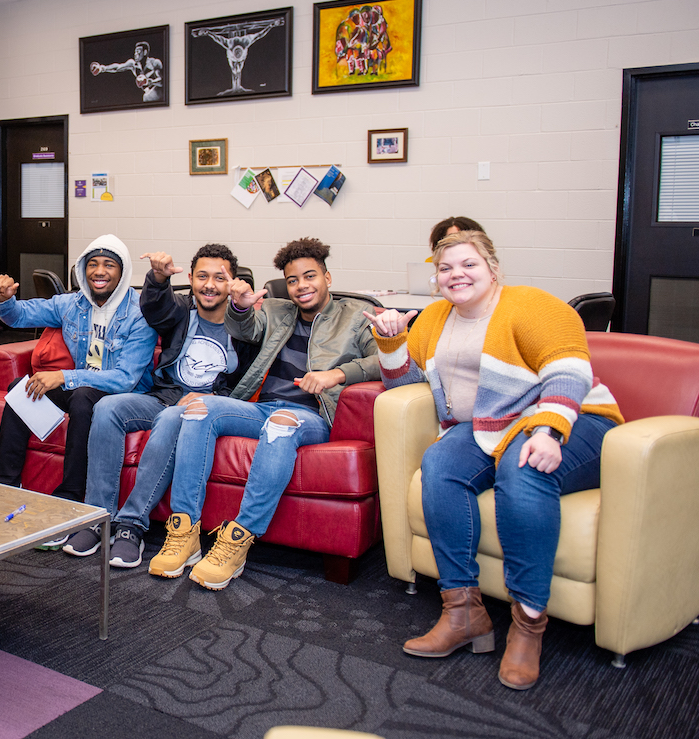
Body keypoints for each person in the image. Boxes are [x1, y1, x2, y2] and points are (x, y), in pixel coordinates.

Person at [363, 230, 623, 690]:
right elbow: (403, 387)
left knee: (521, 472)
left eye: (469, 265)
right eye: (446, 269)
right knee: (439, 466)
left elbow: (570, 370)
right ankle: (463, 612)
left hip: (572, 418)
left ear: (493, 269)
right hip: (490, 425)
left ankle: (528, 624)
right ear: (436, 279)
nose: (456, 275)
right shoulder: (434, 319)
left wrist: (547, 430)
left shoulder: (534, 305)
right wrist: (392, 342)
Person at [148, 238, 380, 590]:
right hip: (261, 408)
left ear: (328, 277)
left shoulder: (354, 318)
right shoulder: (277, 310)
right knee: (197, 409)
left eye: (310, 276)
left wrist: (338, 374)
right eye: (292, 280)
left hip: (312, 416)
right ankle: (184, 531)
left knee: (281, 424)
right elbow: (245, 330)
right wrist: (240, 307)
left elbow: (386, 360)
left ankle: (238, 539)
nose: (301, 286)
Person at [60, 244, 258, 567]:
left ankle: (130, 527)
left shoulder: (245, 326)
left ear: (233, 282)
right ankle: (98, 518)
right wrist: (157, 278)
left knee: (169, 418)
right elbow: (155, 307)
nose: (210, 285)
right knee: (107, 408)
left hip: (208, 409)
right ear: (191, 279)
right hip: (165, 396)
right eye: (202, 276)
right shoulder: (181, 311)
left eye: (219, 278)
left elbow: (252, 347)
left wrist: (243, 309)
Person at [0, 234, 157, 548]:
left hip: (121, 397)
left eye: (109, 265)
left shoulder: (138, 312)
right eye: (92, 264)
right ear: (83, 270)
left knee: (82, 399)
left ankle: (69, 499)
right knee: (20, 389)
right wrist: (5, 298)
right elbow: (19, 316)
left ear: (122, 272)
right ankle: (4, 488)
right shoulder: (73, 303)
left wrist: (63, 377)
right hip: (80, 385)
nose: (99, 271)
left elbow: (126, 378)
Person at [90, 41, 163, 102]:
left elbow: (162, 82)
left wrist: (150, 82)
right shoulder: (133, 64)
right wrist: (103, 68)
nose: (135, 54)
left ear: (145, 52)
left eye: (138, 51)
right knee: (146, 97)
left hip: (158, 92)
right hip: (148, 95)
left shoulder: (154, 63)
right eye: (135, 52)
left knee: (147, 96)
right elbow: (117, 67)